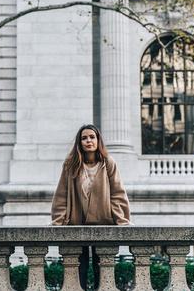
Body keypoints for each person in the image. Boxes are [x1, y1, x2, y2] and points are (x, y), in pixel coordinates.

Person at [51, 124, 131, 289]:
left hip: (103, 223)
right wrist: (58, 222)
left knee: (101, 267)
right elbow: (61, 195)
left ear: (98, 140)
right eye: (84, 138)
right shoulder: (70, 164)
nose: (88, 141)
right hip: (77, 224)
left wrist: (121, 219)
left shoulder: (108, 163)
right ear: (80, 142)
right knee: (79, 267)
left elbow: (118, 193)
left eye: (92, 137)